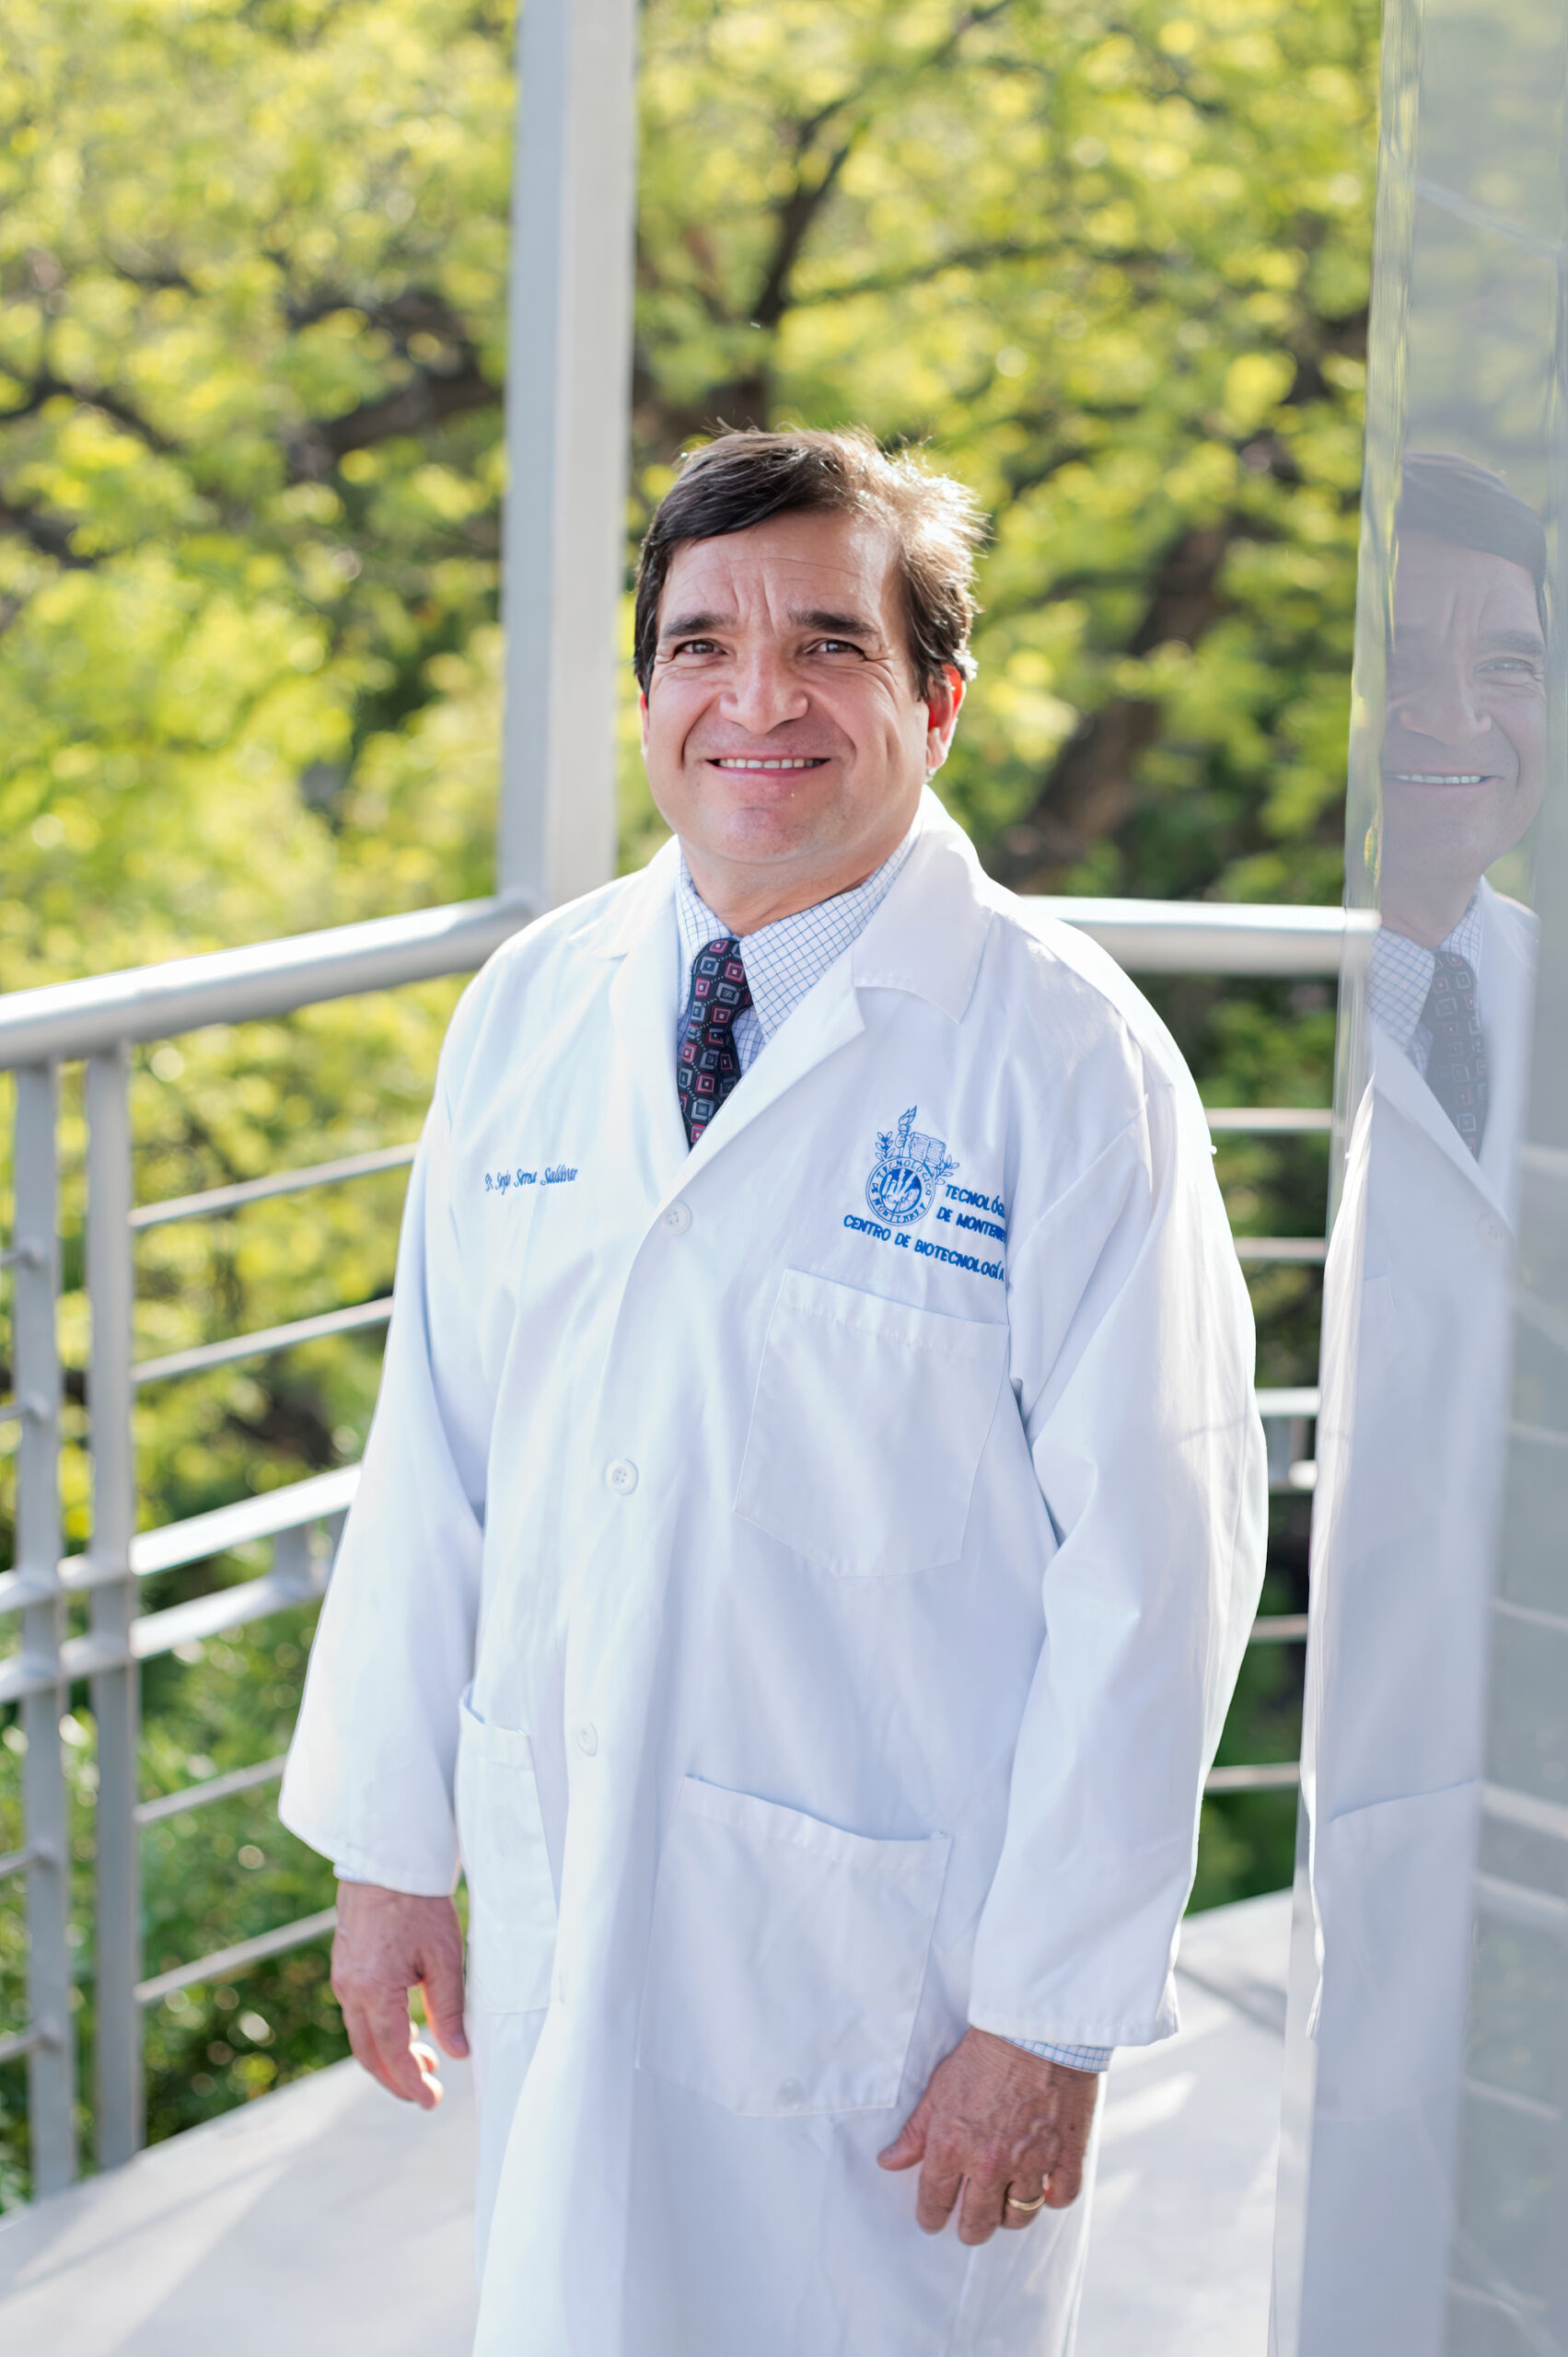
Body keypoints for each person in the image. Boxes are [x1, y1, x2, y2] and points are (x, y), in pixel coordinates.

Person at [280, 426, 1267, 2357]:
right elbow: (438, 1452)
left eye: (828, 643)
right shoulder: (536, 1007)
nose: (756, 698)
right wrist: (390, 1842)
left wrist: (1045, 2012)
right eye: (698, 643)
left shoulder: (1067, 1066)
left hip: (886, 2001)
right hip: (578, 1906)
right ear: (644, 689)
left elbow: (1162, 1564)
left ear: (938, 700)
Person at [1290, 453, 1544, 2353]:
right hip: (1345, 1782)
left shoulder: (1539, 991)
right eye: (1411, 656)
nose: (1461, 712)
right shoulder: (1260, 1021)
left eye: (1512, 659)